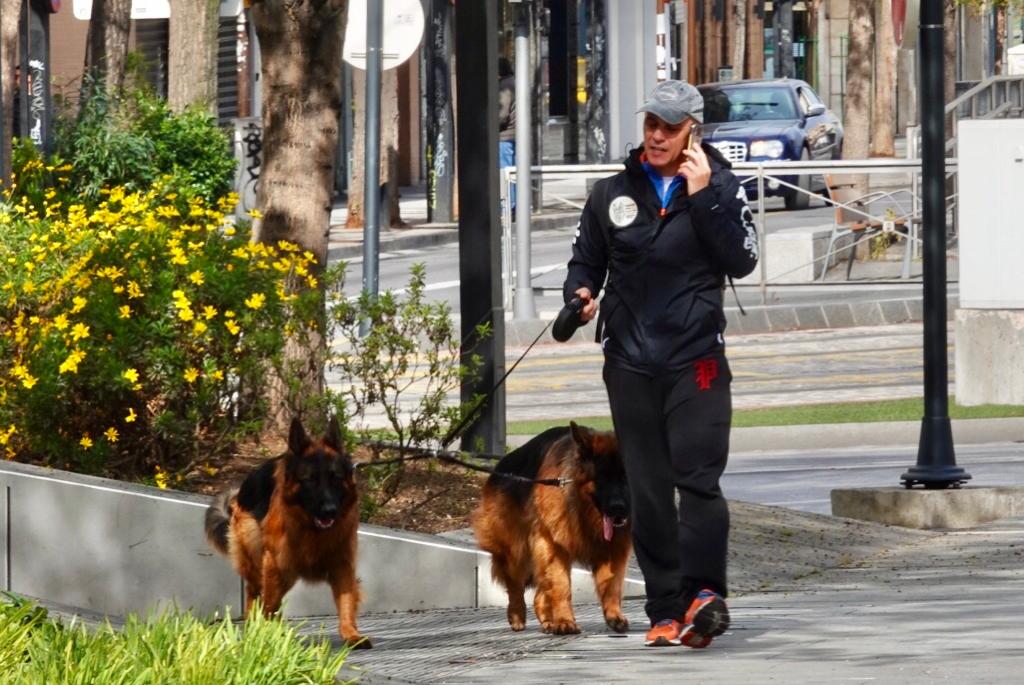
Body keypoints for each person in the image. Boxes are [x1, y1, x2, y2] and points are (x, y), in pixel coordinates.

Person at [561, 80, 758, 649]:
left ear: (692, 130)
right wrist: (580, 294)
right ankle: (665, 610)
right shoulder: (611, 194)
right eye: (651, 123)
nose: (656, 135)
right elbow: (586, 262)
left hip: (696, 361)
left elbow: (741, 261)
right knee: (647, 492)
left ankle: (703, 597)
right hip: (629, 362)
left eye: (669, 127)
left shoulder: (721, 187)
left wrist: (705, 197)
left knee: (697, 483)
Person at [497, 57, 517, 211]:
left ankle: (507, 206)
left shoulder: (504, 86)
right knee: (515, 173)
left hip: (505, 136)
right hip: (517, 135)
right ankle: (515, 204)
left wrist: (493, 126)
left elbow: (502, 114)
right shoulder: (517, 82)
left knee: (505, 173)